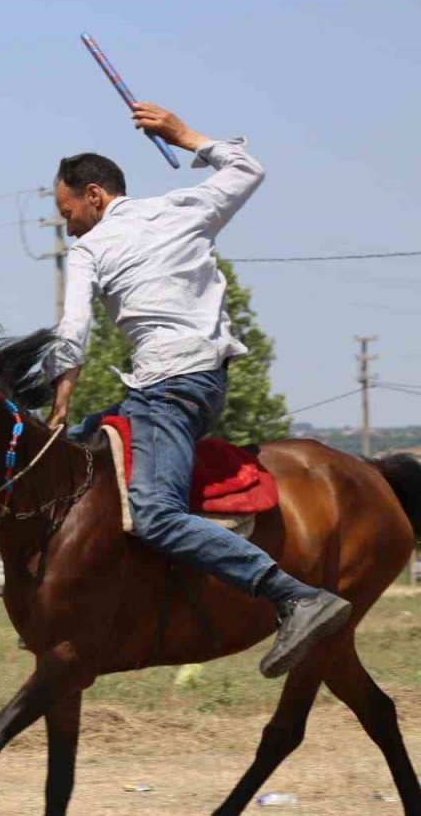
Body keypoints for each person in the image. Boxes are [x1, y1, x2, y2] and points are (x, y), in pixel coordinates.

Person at [41, 104, 350, 679]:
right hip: (206, 382)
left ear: (94, 196)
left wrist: (60, 399)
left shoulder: (89, 249)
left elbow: (73, 330)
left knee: (154, 516)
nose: (68, 226)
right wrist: (183, 136)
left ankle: (293, 597)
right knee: (87, 447)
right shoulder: (181, 206)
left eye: (68, 212)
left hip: (165, 389)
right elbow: (246, 169)